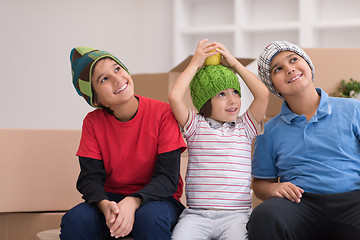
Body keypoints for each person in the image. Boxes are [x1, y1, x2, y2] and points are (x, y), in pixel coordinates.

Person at [60, 47, 187, 240]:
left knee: (149, 218)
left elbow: (167, 178)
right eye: (103, 79)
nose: (117, 79)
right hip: (111, 202)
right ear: (95, 98)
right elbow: (90, 178)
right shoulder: (92, 122)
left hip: (158, 200)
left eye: (117, 69)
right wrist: (105, 205)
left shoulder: (163, 114)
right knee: (75, 219)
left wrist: (133, 201)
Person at [247, 41, 360, 240]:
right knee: (264, 216)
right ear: (273, 85)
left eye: (294, 60)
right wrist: (274, 188)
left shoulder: (353, 109)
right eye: (278, 69)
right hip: (299, 204)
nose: (289, 69)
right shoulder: (269, 130)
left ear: (308, 65)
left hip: (352, 200)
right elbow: (260, 184)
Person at [169, 39, 269, 240]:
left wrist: (234, 63)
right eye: (221, 95)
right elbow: (175, 97)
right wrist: (195, 62)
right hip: (197, 216)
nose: (232, 100)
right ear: (205, 103)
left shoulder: (245, 127)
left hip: (236, 217)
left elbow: (263, 94)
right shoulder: (195, 126)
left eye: (235, 92)